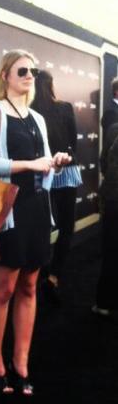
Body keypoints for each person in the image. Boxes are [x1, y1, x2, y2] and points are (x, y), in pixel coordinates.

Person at [0, 50, 71, 396]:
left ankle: (21, 362)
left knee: (30, 287)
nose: (30, 75)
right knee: (3, 290)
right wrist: (31, 164)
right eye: (23, 70)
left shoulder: (38, 118)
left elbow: (43, 163)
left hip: (35, 209)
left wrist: (53, 163)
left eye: (33, 70)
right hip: (9, 211)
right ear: (6, 76)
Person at [31, 70, 82, 305]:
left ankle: (41, 273)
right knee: (66, 227)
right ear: (51, 85)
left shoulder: (30, 111)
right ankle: (53, 275)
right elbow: (73, 143)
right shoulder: (65, 108)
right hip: (66, 172)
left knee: (41, 227)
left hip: (42, 172)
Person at [92, 121, 118, 321]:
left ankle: (104, 303)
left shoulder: (113, 128)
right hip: (112, 197)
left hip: (111, 197)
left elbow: (103, 162)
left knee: (110, 251)